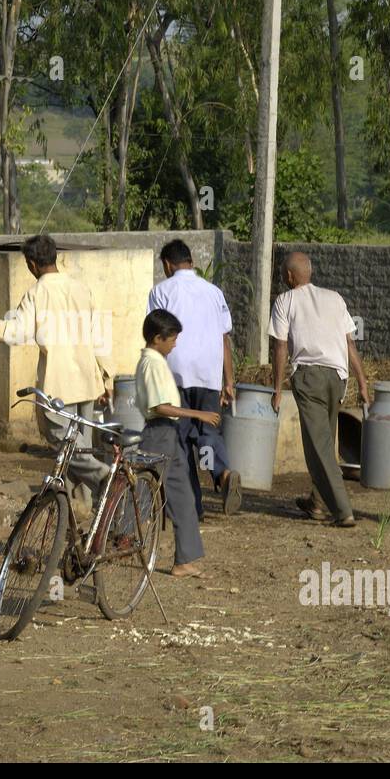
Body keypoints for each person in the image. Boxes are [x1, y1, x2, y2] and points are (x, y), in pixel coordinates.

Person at [0, 234, 113, 517]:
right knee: (79, 446)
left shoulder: (37, 293)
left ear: (32, 264)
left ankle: (104, 477)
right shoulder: (81, 288)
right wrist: (107, 376)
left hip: (59, 386)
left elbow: (15, 333)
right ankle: (78, 514)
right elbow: (98, 334)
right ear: (55, 257)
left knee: (65, 444)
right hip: (88, 381)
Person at [268, 252, 370, 528]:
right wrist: (361, 382)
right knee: (324, 439)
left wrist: (277, 388)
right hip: (338, 377)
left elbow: (280, 346)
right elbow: (350, 344)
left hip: (309, 377)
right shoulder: (334, 298)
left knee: (319, 447)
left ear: (289, 276)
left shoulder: (285, 300)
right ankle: (318, 503)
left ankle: (343, 510)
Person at [147, 239, 241, 518]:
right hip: (209, 374)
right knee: (208, 431)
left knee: (181, 438)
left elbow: (157, 335)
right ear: (190, 261)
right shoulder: (214, 292)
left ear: (167, 264)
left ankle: (191, 506)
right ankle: (222, 473)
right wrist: (229, 381)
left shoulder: (161, 290)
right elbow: (224, 338)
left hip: (176, 373)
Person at [135, 310, 219, 578]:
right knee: (144, 494)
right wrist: (198, 414)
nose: (175, 344)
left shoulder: (156, 360)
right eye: (171, 339)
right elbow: (159, 406)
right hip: (159, 434)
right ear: (157, 338)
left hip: (168, 434)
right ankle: (120, 540)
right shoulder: (152, 364)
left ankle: (184, 559)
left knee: (182, 496)